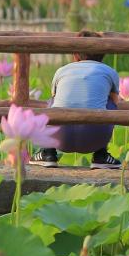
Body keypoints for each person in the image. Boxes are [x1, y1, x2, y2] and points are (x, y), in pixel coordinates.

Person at [31, 30, 122, 169]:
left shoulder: (61, 70)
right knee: (110, 102)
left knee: (53, 101)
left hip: (59, 139)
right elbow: (116, 103)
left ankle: (48, 152)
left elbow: (54, 98)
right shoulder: (109, 71)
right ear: (103, 52)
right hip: (95, 138)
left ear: (74, 53)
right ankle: (100, 155)